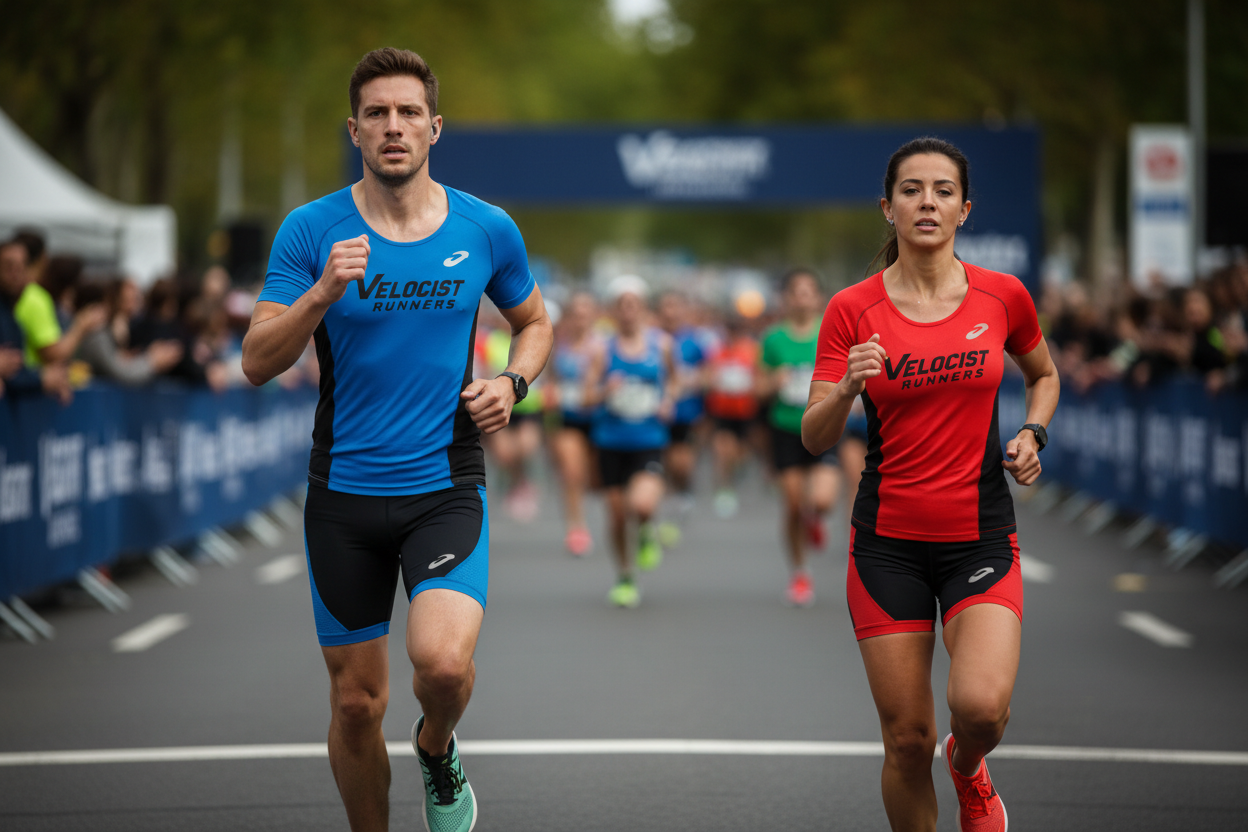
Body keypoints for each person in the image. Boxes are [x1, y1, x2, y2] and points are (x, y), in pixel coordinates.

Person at [240, 47, 553, 832]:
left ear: (435, 127)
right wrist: (320, 293)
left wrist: (512, 384)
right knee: (354, 704)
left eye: (408, 112)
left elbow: (536, 323)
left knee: (442, 668)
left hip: (443, 485)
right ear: (355, 130)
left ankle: (436, 747)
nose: (393, 126)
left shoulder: (487, 226)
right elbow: (255, 361)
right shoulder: (311, 230)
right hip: (343, 493)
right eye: (376, 113)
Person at [802, 137, 1059, 832]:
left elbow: (1043, 374)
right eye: (912, 190)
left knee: (979, 708)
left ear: (964, 210)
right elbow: (814, 436)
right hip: (886, 546)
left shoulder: (1002, 296)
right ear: (888, 209)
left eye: (943, 191)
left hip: (979, 533)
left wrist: (1033, 433)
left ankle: (970, 766)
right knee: (906, 742)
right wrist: (848, 385)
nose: (927, 202)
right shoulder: (852, 310)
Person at [583, 275, 678, 608]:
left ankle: (648, 528)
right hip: (610, 440)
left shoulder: (662, 345)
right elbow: (586, 397)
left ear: (642, 308)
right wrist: (604, 391)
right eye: (621, 305)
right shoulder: (600, 349)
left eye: (633, 304)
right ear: (613, 311)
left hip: (648, 437)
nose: (627, 312)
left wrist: (668, 400)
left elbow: (675, 382)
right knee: (617, 516)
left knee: (642, 504)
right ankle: (624, 575)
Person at [758, 268, 837, 607]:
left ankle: (815, 518)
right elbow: (756, 388)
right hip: (786, 429)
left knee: (821, 500)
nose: (802, 297)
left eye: (808, 291)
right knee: (792, 505)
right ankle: (800, 573)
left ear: (818, 297)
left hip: (823, 427)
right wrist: (773, 382)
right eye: (795, 292)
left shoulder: (831, 332)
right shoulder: (773, 339)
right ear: (787, 298)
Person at [548, 291, 602, 555]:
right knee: (571, 472)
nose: (580, 320)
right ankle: (576, 527)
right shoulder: (559, 346)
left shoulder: (603, 347)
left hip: (601, 421)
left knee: (593, 480)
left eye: (585, 314)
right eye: (575, 315)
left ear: (594, 316)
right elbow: (551, 380)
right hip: (568, 420)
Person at [704, 315, 760, 517]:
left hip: (744, 412)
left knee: (739, 452)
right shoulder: (717, 351)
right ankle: (724, 488)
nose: (732, 334)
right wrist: (713, 381)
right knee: (722, 449)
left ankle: (736, 469)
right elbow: (708, 376)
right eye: (730, 330)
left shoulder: (752, 350)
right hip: (721, 411)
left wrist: (751, 386)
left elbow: (759, 377)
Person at [657, 291, 707, 515]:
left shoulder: (693, 342)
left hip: (686, 410)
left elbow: (709, 372)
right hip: (656, 411)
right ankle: (666, 498)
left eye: (674, 307)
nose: (670, 312)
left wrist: (694, 379)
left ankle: (683, 488)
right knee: (663, 458)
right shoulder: (651, 340)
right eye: (665, 307)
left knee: (681, 462)